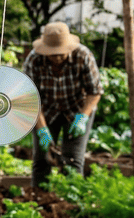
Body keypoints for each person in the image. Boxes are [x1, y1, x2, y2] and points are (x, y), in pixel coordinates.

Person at [22, 22, 102, 186]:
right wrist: (42, 129)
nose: (57, 57)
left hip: (77, 109)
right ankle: (38, 199)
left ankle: (70, 202)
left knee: (72, 160)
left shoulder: (83, 56)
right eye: (52, 54)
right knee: (42, 158)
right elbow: (30, 99)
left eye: (61, 54)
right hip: (46, 110)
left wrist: (83, 117)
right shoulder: (34, 60)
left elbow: (94, 91)